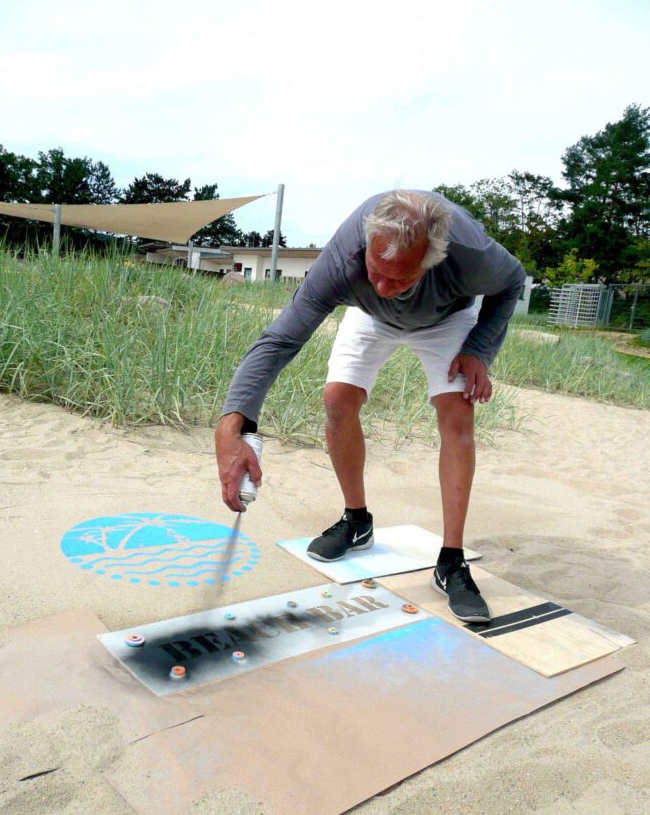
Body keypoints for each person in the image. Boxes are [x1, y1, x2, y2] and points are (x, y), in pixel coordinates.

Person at [215, 190, 526, 624]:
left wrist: (479, 349)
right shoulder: (345, 258)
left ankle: (451, 561)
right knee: (337, 398)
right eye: (376, 271)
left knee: (457, 412)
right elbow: (281, 339)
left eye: (399, 279)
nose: (385, 286)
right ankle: (356, 520)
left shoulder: (470, 252)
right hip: (368, 316)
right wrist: (232, 426)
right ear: (368, 244)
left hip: (445, 318)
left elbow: (513, 281)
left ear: (432, 258)